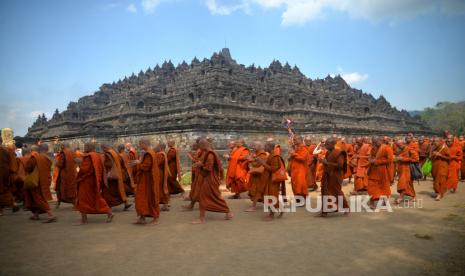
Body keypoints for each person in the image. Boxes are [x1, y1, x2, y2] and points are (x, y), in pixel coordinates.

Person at [192, 138, 233, 224]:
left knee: (204, 197)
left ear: (203, 145)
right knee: (214, 196)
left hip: (210, 179)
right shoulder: (208, 153)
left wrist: (200, 165)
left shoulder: (210, 154)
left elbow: (208, 168)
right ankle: (228, 212)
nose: (199, 148)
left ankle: (202, 219)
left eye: (200, 146)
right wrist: (200, 164)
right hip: (208, 178)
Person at [74, 143, 113, 225]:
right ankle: (109, 212)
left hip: (86, 181)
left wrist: (79, 163)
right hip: (94, 180)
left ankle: (84, 220)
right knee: (96, 198)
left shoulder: (89, 156)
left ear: (89, 147)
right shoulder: (97, 155)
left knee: (83, 199)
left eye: (85, 146)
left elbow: (85, 169)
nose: (84, 148)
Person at [24, 143, 56, 222]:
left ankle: (50, 214)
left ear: (31, 150)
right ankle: (36, 215)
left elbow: (28, 168)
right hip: (44, 180)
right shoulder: (45, 158)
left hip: (36, 181)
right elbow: (49, 166)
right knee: (37, 198)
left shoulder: (33, 157)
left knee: (38, 198)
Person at [131, 139, 160, 225]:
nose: (139, 146)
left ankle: (155, 218)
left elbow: (146, 167)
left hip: (148, 180)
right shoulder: (148, 152)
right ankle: (142, 217)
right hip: (144, 180)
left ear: (144, 144)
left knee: (150, 198)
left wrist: (138, 163)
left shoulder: (149, 153)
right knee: (141, 198)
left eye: (140, 144)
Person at [319, 138, 349, 217]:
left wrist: (327, 163)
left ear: (333, 144)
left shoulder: (339, 153)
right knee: (325, 191)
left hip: (335, 175)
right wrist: (323, 162)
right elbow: (327, 163)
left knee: (336, 192)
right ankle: (327, 209)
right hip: (328, 175)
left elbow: (340, 165)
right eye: (325, 144)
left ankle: (346, 208)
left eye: (327, 144)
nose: (326, 146)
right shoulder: (328, 152)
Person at [101, 144, 132, 211]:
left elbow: (109, 164)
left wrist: (103, 163)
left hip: (111, 176)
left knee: (108, 191)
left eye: (102, 148)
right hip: (119, 173)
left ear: (104, 147)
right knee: (119, 189)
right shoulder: (114, 153)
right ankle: (125, 202)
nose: (102, 150)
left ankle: (109, 206)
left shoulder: (108, 154)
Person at [367, 136, 391, 208]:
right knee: (371, 185)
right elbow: (371, 156)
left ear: (380, 140)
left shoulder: (387, 148)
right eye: (373, 142)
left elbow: (390, 160)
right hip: (373, 170)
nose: (373, 143)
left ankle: (384, 201)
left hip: (383, 170)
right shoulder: (373, 148)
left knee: (383, 186)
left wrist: (377, 161)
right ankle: (372, 201)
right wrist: (370, 159)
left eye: (375, 142)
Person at [245, 141, 268, 212]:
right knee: (258, 191)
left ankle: (253, 207)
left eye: (255, 146)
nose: (253, 147)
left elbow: (259, 165)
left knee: (256, 191)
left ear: (260, 146)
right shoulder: (256, 154)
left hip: (259, 176)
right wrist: (251, 159)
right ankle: (268, 205)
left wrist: (251, 160)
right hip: (255, 175)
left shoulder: (263, 155)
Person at [394, 139, 418, 203]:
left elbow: (416, 159)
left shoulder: (410, 149)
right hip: (401, 169)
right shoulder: (398, 150)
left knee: (403, 183)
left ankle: (401, 197)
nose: (399, 147)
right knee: (409, 184)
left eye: (400, 145)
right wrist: (396, 159)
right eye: (398, 145)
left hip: (408, 169)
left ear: (403, 143)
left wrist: (403, 159)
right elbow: (397, 159)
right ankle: (414, 196)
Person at [0, 137, 20, 216]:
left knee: (2, 190)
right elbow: (12, 161)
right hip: (6, 171)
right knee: (5, 188)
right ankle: (13, 203)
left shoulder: (4, 150)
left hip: (1, 172)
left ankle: (2, 210)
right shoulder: (7, 150)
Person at [55, 143, 77, 207]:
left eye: (61, 146)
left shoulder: (63, 153)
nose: (61, 148)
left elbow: (61, 164)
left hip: (65, 174)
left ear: (63, 147)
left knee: (62, 188)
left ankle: (61, 201)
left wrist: (56, 163)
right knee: (71, 188)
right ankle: (74, 203)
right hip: (73, 173)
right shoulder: (73, 153)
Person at [155, 143, 170, 211]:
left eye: (157, 146)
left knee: (160, 189)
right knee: (162, 189)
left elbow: (156, 164)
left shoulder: (160, 154)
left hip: (159, 174)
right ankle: (165, 204)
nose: (155, 147)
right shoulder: (162, 153)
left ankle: (165, 204)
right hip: (160, 173)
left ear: (160, 147)